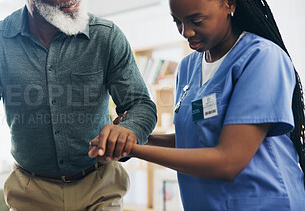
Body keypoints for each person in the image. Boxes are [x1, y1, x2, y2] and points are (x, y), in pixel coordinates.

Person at [89, 0, 305, 210]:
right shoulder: (187, 67)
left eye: (197, 20)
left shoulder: (260, 57)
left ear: (230, 4)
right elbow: (195, 139)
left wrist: (133, 149)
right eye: (178, 22)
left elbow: (229, 161)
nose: (186, 32)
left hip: (265, 202)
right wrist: (135, 138)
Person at [0, 0, 157, 210]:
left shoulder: (107, 36)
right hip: (30, 194)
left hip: (100, 187)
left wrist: (128, 130)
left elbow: (140, 104)